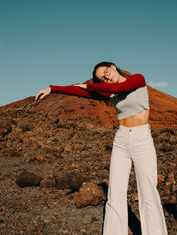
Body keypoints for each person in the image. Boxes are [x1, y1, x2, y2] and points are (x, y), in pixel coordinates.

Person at [35, 61, 168, 235]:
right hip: (121, 140)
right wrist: (53, 89)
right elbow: (78, 92)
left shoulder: (137, 79)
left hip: (141, 139)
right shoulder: (108, 93)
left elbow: (121, 88)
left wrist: (87, 86)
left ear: (112, 67)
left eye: (106, 71)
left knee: (148, 192)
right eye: (102, 78)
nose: (106, 76)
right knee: (115, 193)